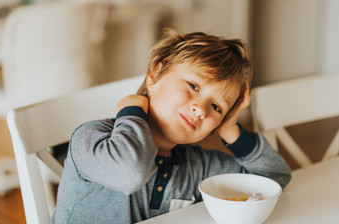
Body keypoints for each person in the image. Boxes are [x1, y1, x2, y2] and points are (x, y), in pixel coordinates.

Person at [51, 29, 291, 223]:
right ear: (155, 74)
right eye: (193, 86)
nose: (201, 109)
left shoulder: (198, 166)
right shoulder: (92, 138)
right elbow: (129, 172)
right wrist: (132, 111)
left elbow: (273, 178)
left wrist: (230, 128)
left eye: (217, 107)